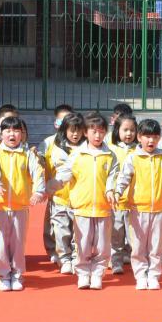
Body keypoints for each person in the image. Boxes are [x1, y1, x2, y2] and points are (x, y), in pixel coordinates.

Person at [50, 112, 118, 290]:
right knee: (82, 244)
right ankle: (83, 273)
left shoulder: (110, 156)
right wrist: (45, 190)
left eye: (101, 132)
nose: (98, 135)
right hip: (81, 209)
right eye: (93, 131)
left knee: (103, 246)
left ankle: (97, 274)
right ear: (85, 133)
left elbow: (114, 177)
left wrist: (111, 190)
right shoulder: (76, 155)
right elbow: (63, 176)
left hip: (103, 209)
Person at [0, 115, 46, 291]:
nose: (12, 134)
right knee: (2, 242)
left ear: (22, 134)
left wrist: (38, 192)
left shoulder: (28, 154)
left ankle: (18, 274)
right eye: (8, 130)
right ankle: (3, 275)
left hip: (20, 206)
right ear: (1, 134)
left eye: (16, 131)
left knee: (19, 242)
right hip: (1, 206)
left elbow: (37, 173)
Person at [112, 119, 162, 290]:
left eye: (154, 137)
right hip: (138, 209)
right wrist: (117, 192)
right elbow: (124, 178)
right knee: (138, 246)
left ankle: (153, 275)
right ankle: (140, 275)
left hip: (159, 209)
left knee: (155, 246)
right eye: (146, 136)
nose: (150, 141)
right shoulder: (133, 158)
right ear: (139, 137)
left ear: (159, 138)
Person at [43, 112, 84, 274]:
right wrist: (46, 189)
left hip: (80, 199)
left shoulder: (87, 148)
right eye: (71, 130)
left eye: (79, 130)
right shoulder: (56, 148)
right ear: (64, 130)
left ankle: (76, 258)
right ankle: (64, 258)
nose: (75, 134)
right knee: (61, 231)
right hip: (60, 198)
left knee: (78, 232)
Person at [108, 114, 138, 275]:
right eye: (125, 130)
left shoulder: (139, 150)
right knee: (116, 234)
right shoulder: (111, 150)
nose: (129, 133)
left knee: (135, 236)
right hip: (117, 201)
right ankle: (116, 261)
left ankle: (136, 261)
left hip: (135, 202)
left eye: (132, 130)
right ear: (117, 130)